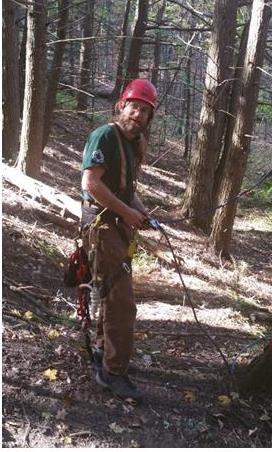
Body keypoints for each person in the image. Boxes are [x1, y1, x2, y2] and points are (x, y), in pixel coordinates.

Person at [80, 79, 158, 399]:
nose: (138, 115)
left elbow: (126, 190)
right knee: (122, 302)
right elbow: (91, 183)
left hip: (118, 226)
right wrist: (127, 212)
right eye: (134, 107)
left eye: (145, 111)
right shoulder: (105, 136)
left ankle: (104, 351)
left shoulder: (133, 143)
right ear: (121, 106)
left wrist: (141, 213)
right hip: (101, 226)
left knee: (111, 292)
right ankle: (113, 373)